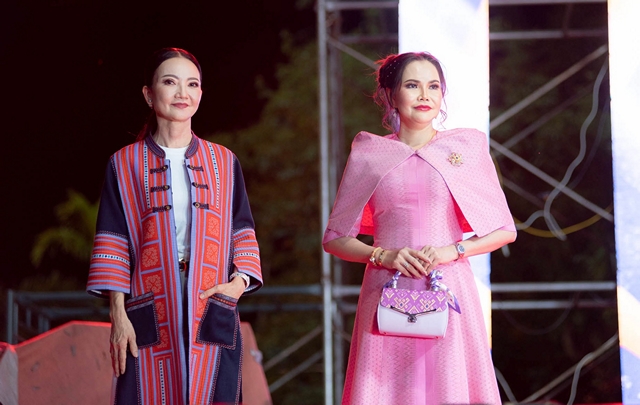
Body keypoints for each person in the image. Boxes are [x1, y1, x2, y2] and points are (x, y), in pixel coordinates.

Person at [323, 51, 517, 404]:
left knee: (448, 388)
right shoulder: (369, 153)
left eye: (433, 86)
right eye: (412, 85)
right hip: (386, 288)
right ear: (390, 94)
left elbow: (504, 229)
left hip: (448, 287)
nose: (425, 95)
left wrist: (452, 251)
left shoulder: (464, 148)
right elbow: (335, 238)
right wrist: (383, 256)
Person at [86, 47, 262, 405]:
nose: (183, 93)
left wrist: (238, 284)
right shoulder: (124, 163)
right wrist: (118, 315)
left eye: (192, 84)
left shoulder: (224, 162)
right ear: (149, 94)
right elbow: (113, 241)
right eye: (170, 82)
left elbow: (242, 231)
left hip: (212, 303)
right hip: (148, 306)